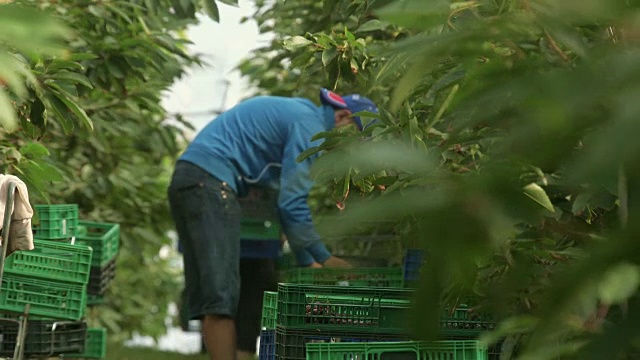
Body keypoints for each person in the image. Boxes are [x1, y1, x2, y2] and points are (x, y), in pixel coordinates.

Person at [167, 87, 379, 360]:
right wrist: (325, 258)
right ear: (343, 118)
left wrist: (306, 260)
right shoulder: (310, 127)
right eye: (358, 138)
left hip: (189, 179)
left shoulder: (301, 113)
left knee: (212, 300)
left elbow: (281, 199)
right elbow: (291, 203)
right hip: (209, 184)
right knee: (221, 300)